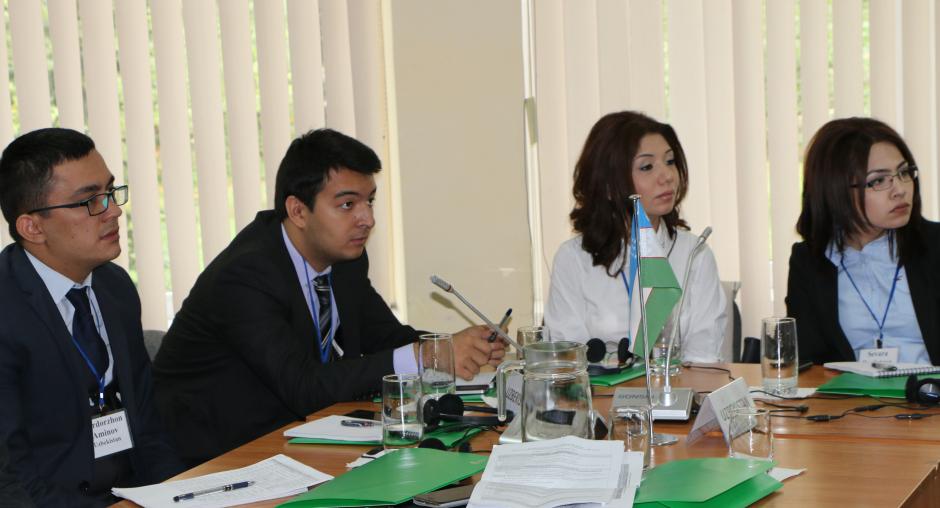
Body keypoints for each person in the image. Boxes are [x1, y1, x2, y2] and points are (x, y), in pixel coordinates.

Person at [153, 128, 505, 465]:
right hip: (212, 457)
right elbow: (304, 386)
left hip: (292, 439)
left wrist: (447, 348)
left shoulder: (345, 258)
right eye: (348, 204)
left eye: (369, 201)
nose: (367, 219)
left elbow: (387, 338)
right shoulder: (246, 275)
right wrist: (423, 356)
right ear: (298, 211)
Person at [0, 128, 183, 506]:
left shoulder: (115, 287)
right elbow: (10, 477)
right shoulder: (7, 311)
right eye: (89, 201)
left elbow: (149, 430)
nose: (113, 210)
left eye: (111, 192)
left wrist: (177, 495)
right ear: (32, 227)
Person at [544, 111, 727, 362]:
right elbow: (567, 360)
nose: (667, 176)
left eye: (670, 161)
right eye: (647, 167)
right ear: (608, 185)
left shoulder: (695, 254)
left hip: (676, 387)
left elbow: (704, 358)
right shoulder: (574, 259)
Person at [787, 117, 940, 365]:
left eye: (904, 173)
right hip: (849, 392)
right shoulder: (809, 261)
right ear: (835, 190)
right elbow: (808, 361)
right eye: (878, 181)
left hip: (929, 389)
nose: (900, 189)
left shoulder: (934, 246)